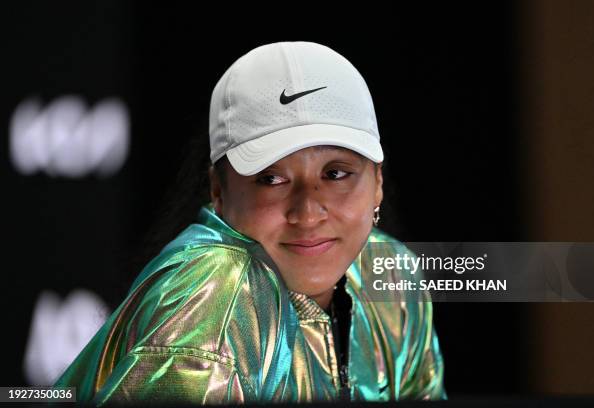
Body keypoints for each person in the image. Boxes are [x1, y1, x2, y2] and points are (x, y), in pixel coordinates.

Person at [54, 41, 447, 404]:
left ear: (377, 182)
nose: (308, 213)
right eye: (271, 179)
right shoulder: (215, 294)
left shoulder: (390, 272)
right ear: (218, 192)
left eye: (336, 173)